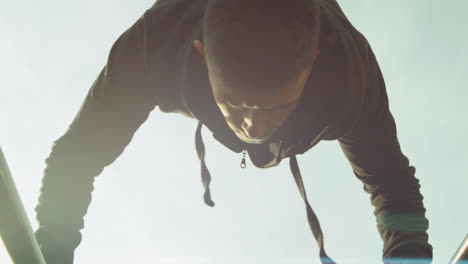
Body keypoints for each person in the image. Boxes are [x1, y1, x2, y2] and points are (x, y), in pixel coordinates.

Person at [34, 0, 434, 263]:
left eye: (275, 106)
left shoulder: (349, 77)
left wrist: (408, 258)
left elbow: (392, 184)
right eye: (237, 104)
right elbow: (76, 156)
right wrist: (54, 244)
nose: (252, 127)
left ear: (312, 61)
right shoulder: (153, 47)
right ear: (202, 50)